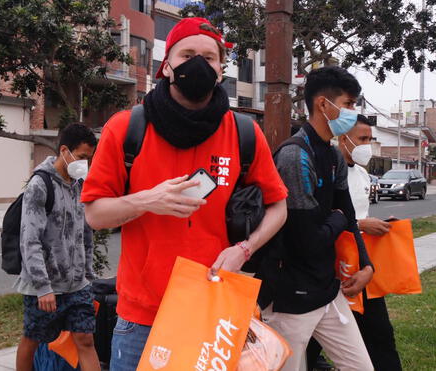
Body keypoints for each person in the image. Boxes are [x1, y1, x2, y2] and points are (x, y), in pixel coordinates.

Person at [81, 17, 288, 371]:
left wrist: (244, 249)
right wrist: (148, 200)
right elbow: (95, 215)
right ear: (167, 66)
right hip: (141, 319)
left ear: (221, 70)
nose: (198, 63)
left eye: (209, 58)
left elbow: (279, 207)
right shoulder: (127, 128)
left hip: (213, 311)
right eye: (187, 53)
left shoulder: (243, 132)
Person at [257, 66, 374, 371]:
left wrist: (367, 264)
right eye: (348, 104)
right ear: (324, 104)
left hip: (327, 290)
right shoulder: (296, 156)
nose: (353, 111)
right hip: (289, 298)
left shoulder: (333, 154)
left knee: (361, 366)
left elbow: (347, 215)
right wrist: (336, 218)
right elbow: (306, 241)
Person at [15, 123, 101, 371]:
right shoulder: (39, 185)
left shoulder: (79, 185)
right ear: (65, 151)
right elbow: (29, 239)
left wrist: (88, 275)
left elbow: (86, 233)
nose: (85, 163)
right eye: (82, 157)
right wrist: (42, 287)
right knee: (32, 340)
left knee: (86, 340)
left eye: (89, 159)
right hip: (45, 286)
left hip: (77, 285)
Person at [337, 114, 403, 370]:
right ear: (344, 139)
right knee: (315, 339)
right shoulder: (330, 171)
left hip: (364, 268)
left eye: (370, 138)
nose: (367, 144)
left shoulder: (363, 175)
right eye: (362, 139)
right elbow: (323, 217)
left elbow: (359, 215)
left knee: (381, 335)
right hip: (336, 269)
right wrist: (361, 225)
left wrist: (382, 225)